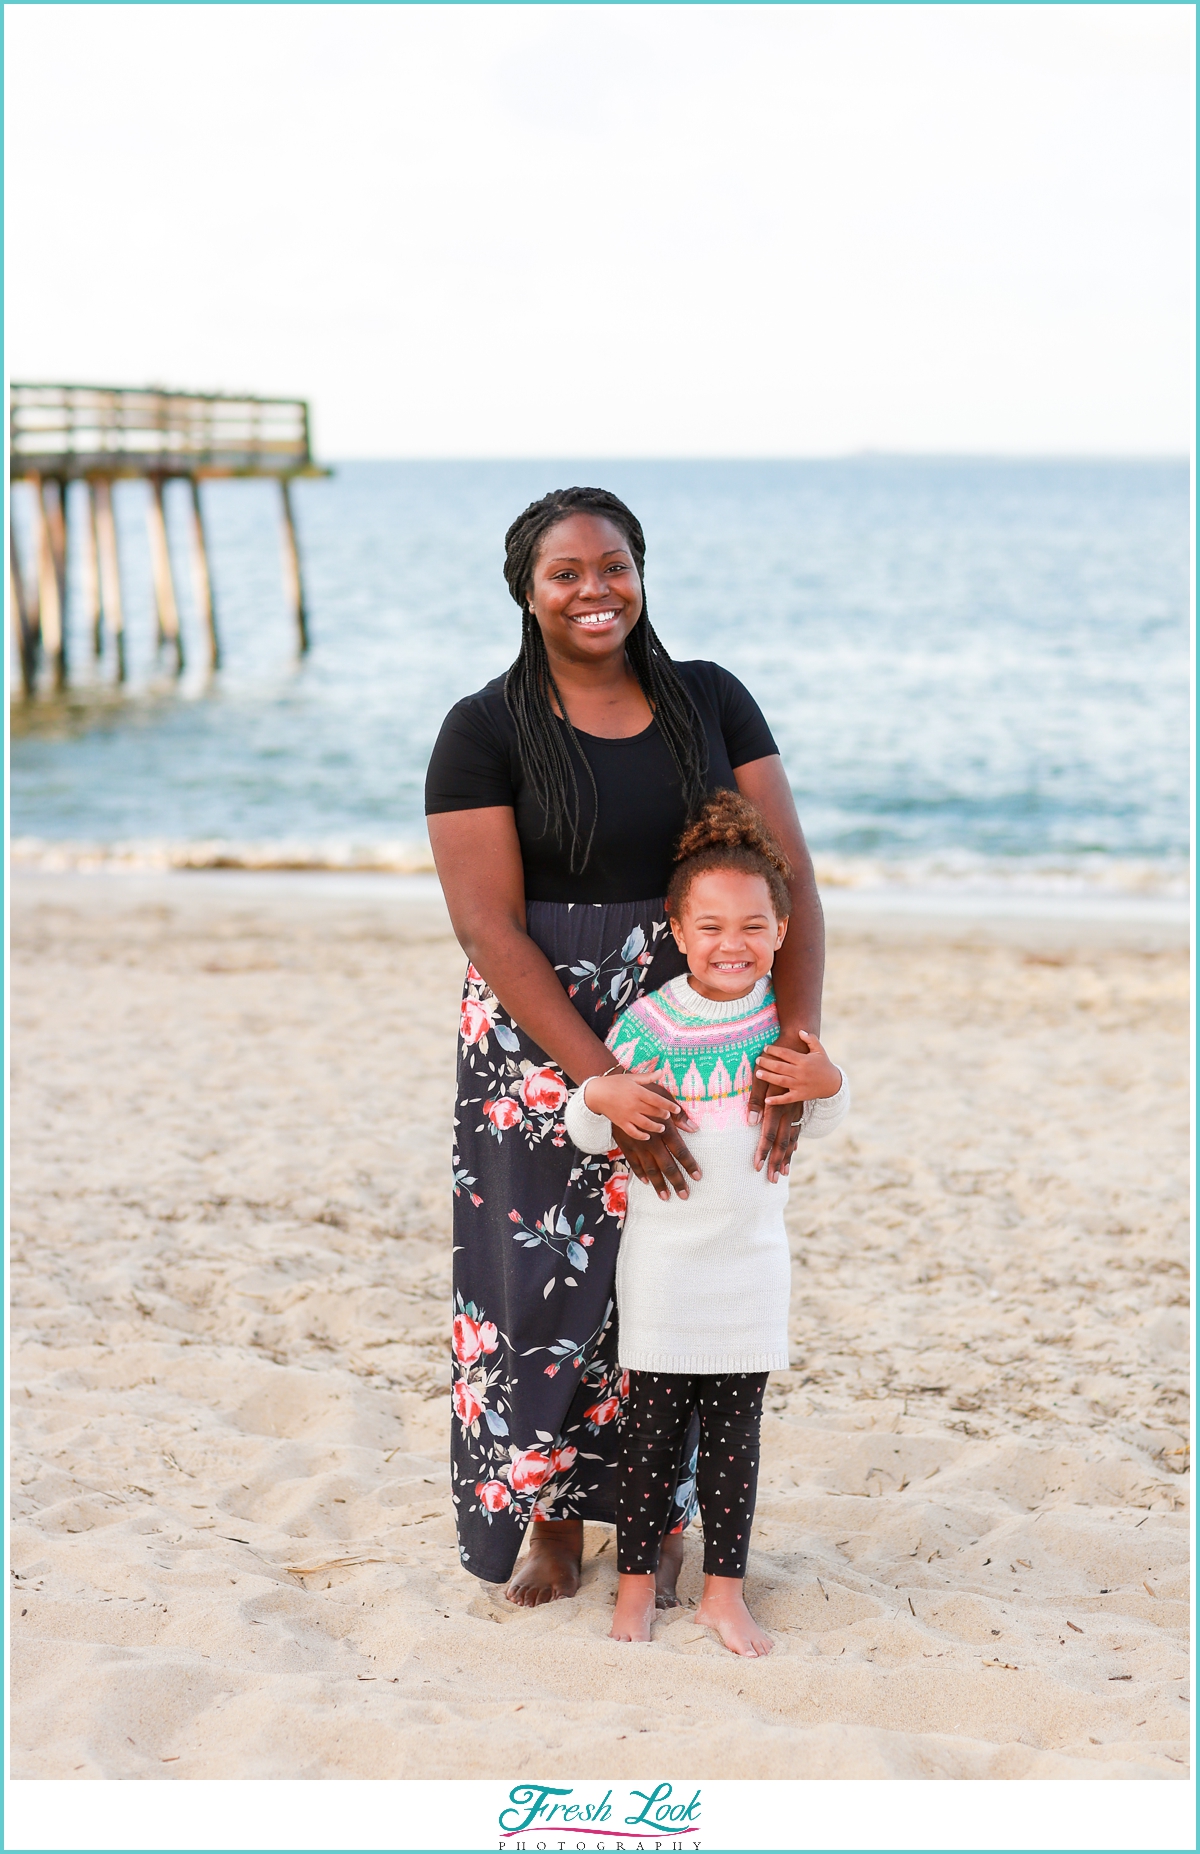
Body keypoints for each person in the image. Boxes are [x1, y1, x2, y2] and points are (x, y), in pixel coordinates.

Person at [424, 485, 826, 1604]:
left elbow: (785, 881)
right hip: (535, 1040)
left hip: (696, 1024)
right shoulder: (485, 728)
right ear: (528, 590)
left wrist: (794, 1049)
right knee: (542, 1287)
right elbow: (486, 923)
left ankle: (653, 1514)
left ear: (642, 573)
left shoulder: (710, 701)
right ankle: (553, 1521)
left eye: (615, 566)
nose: (594, 590)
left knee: (673, 1270)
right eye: (566, 573)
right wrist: (594, 1073)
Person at [563, 792, 849, 1655]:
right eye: (713, 927)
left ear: (783, 929)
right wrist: (599, 1094)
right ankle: (635, 1592)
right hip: (663, 1272)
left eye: (754, 927)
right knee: (648, 1444)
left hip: (753, 1271)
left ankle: (725, 1595)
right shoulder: (649, 1024)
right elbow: (590, 1125)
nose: (734, 945)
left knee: (733, 1444)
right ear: (679, 933)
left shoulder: (782, 1030)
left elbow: (821, 1119)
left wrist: (829, 1082)